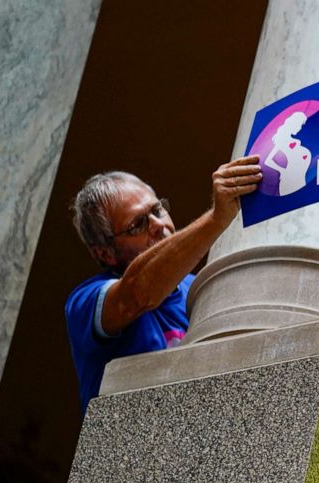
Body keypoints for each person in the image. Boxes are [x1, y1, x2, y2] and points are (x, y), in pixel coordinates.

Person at [65, 156, 262, 412]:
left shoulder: (202, 288)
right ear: (105, 253)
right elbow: (138, 293)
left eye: (157, 211)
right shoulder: (86, 301)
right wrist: (216, 218)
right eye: (138, 224)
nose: (158, 225)